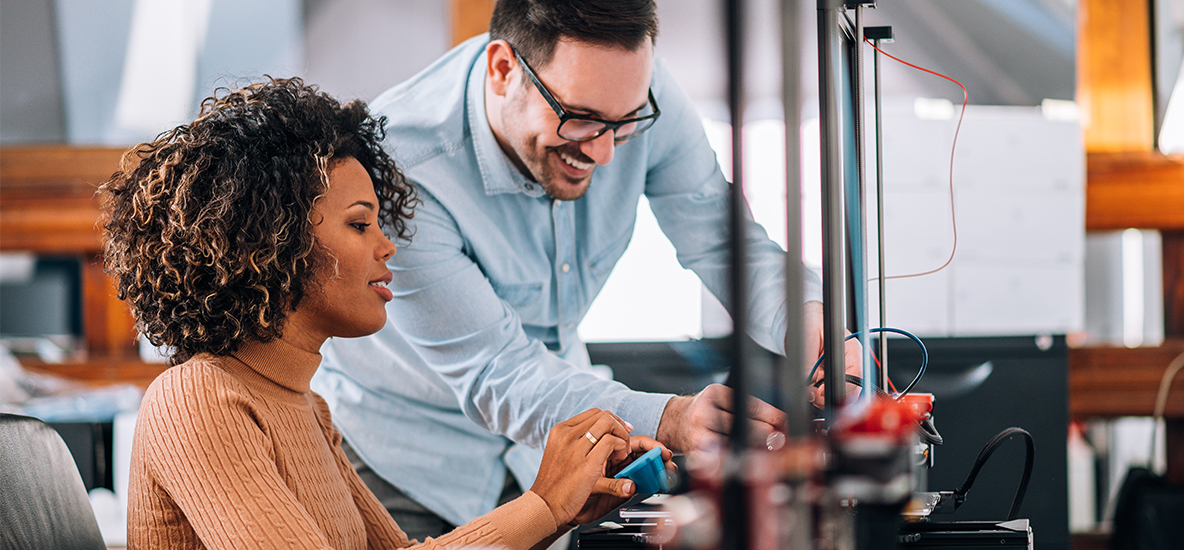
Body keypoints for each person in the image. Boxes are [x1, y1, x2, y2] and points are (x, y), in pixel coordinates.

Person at [314, 0, 863, 538]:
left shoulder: (636, 91)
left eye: (624, 126)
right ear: (504, 69)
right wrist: (669, 418)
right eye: (581, 120)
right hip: (407, 462)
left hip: (550, 440)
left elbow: (722, 240)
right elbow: (497, 373)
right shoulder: (402, 167)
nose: (604, 155)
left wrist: (809, 323)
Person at [102, 77, 666, 549]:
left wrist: (560, 509)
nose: (387, 246)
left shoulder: (308, 409)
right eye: (358, 223)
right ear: (269, 242)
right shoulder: (197, 399)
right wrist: (541, 504)